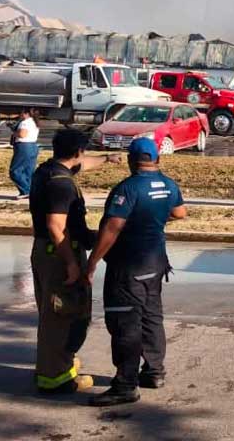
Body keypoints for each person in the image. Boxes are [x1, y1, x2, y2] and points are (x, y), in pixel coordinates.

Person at [86, 137, 187, 407]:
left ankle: (125, 385)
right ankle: (154, 372)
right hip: (156, 263)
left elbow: (113, 227)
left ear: (131, 161)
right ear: (157, 159)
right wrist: (153, 218)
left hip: (128, 266)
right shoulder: (168, 184)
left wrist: (92, 261)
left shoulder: (128, 188)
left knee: (125, 323)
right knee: (151, 316)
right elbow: (180, 213)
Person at [29, 128, 121, 395]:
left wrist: (106, 159)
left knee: (52, 314)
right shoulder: (61, 184)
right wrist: (71, 263)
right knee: (63, 314)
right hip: (59, 255)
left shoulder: (48, 170)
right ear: (78, 151)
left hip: (46, 251)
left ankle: (57, 362)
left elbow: (83, 164)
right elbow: (56, 226)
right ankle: (56, 377)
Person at [9, 108, 40, 199]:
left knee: (15, 171)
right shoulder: (35, 122)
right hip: (33, 146)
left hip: (23, 146)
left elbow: (22, 134)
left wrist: (14, 132)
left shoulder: (25, 122)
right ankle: (32, 191)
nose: (20, 115)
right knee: (28, 171)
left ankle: (26, 190)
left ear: (26, 113)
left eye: (21, 113)